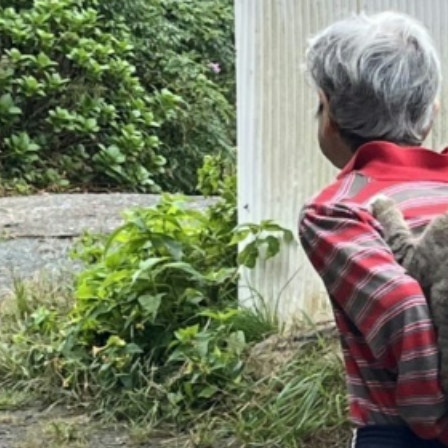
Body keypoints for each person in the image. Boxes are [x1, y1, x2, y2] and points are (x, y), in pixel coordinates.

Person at [299, 11, 448, 448]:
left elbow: (401, 309)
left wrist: (433, 423)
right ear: (430, 115)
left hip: (406, 432)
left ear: (327, 110)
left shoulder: (336, 210)